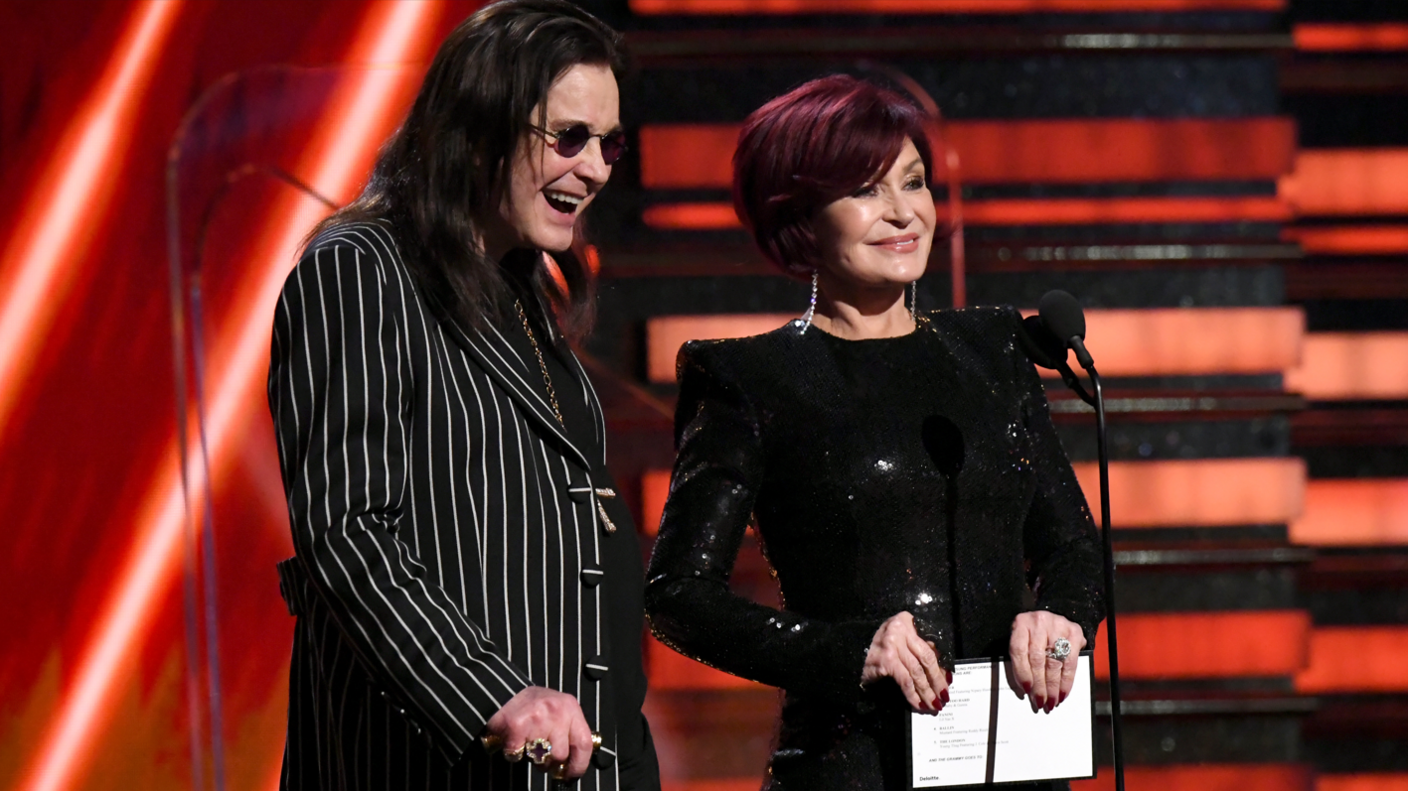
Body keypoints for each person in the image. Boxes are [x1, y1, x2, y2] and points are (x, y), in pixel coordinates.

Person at [644, 75, 1105, 790]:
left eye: (913, 182)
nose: (902, 213)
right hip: (852, 765)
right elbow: (677, 595)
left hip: (1015, 760)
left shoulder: (992, 350)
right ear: (800, 215)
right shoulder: (748, 378)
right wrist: (850, 650)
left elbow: (1072, 543)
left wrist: (1061, 616)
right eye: (865, 190)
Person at [267, 2, 659, 788]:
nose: (597, 169)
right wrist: (493, 695)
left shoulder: (520, 292)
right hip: (440, 760)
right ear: (479, 126)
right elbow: (349, 530)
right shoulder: (362, 271)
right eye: (569, 137)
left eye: (608, 143)